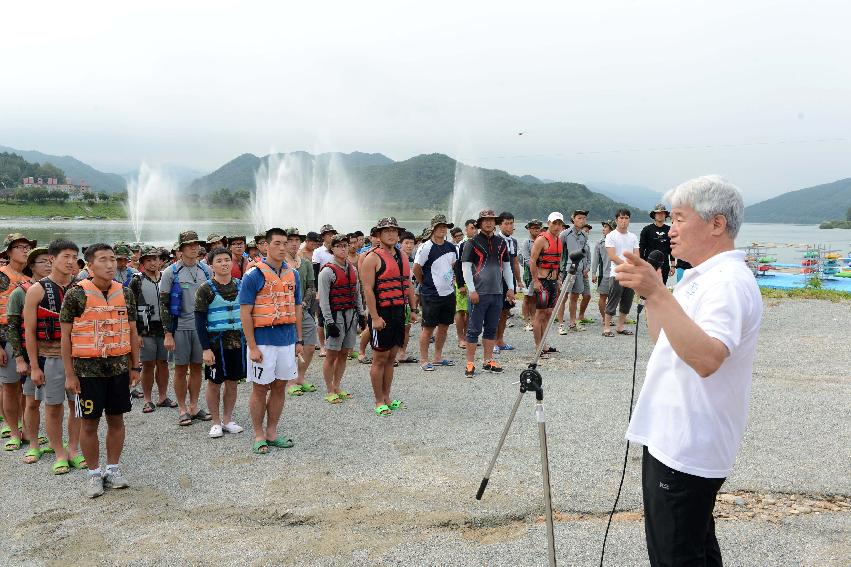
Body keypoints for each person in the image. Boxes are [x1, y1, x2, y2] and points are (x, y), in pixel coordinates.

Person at [616, 175, 762, 567]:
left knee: (676, 555)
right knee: (693, 548)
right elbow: (664, 339)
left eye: (679, 219)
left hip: (690, 444)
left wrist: (659, 293)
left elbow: (707, 359)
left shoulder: (728, 281)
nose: (670, 229)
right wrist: (652, 290)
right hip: (669, 435)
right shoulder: (699, 275)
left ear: (716, 223)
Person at [60, 243, 141, 498]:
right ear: (90, 265)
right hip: (87, 371)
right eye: (103, 260)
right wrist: (70, 374)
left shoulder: (125, 292)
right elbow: (66, 337)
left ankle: (113, 469)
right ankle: (94, 473)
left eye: (112, 259)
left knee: (117, 419)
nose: (109, 264)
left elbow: (132, 331)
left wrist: (135, 366)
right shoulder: (76, 294)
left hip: (118, 368)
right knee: (89, 423)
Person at [238, 227, 303, 454]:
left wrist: (298, 340)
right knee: (260, 388)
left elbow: (297, 308)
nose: (282, 247)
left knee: (280, 386)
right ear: (265, 246)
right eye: (277, 243)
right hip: (263, 341)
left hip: (286, 340)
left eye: (285, 243)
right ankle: (258, 434)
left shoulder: (292, 274)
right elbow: (245, 312)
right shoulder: (253, 275)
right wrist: (252, 346)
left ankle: (272, 431)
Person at [23, 240, 85, 472]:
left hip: (80, 357)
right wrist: (34, 366)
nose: (71, 262)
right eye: (66, 256)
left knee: (77, 404)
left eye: (74, 257)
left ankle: (74, 449)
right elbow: (29, 332)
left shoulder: (82, 287)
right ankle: (58, 451)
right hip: (49, 357)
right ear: (52, 259)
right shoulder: (37, 290)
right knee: (53, 406)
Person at [360, 218, 417, 415]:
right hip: (381, 312)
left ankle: (387, 396)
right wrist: (374, 317)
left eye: (394, 231)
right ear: (378, 235)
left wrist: (413, 308)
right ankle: (378, 400)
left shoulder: (402, 255)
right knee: (380, 357)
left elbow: (407, 283)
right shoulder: (371, 258)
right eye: (386, 231)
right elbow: (367, 290)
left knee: (392, 356)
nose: (391, 234)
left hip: (399, 311)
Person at [160, 231, 212, 426]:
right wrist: (167, 334)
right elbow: (164, 305)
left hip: (200, 328)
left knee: (198, 367)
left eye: (196, 244)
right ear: (180, 249)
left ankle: (194, 406)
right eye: (189, 245)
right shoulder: (170, 272)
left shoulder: (206, 270)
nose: (193, 248)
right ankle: (182, 408)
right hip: (180, 327)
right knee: (181, 369)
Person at [194, 246, 245, 438]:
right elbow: (199, 320)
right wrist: (205, 348)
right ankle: (215, 422)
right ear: (211, 264)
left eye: (227, 260)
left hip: (237, 343)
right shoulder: (205, 289)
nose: (224, 264)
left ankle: (227, 419)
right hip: (216, 344)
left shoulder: (241, 285)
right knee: (214, 382)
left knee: (232, 382)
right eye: (219, 261)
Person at [8, 246, 53, 460]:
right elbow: (13, 327)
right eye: (43, 261)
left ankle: (55, 441)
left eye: (51, 261)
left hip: (54, 355)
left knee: (56, 403)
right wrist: (19, 358)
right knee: (31, 401)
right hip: (30, 355)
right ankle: (32, 443)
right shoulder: (20, 292)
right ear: (32, 266)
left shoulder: (61, 289)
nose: (48, 265)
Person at [461, 210, 514, 377]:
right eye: (485, 220)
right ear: (480, 223)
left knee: (491, 328)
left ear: (495, 222)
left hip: (497, 292)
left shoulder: (501, 243)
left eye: (492, 220)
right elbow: (465, 268)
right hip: (479, 292)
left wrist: (511, 288)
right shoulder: (472, 242)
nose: (489, 223)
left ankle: (487, 360)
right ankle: (470, 363)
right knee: (473, 329)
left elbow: (506, 267)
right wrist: (472, 289)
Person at [317, 234, 365, 403]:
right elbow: (323, 300)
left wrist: (361, 314)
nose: (343, 249)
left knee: (344, 353)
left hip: (351, 315)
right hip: (336, 316)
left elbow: (357, 293)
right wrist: (329, 322)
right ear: (332, 249)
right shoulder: (327, 271)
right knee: (331, 354)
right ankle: (329, 389)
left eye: (345, 245)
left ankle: (337, 385)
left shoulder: (352, 269)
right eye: (339, 246)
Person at [129, 246, 175, 413]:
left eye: (156, 259)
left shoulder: (166, 277)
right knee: (148, 364)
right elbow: (131, 307)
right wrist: (137, 334)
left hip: (164, 327)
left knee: (163, 363)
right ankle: (148, 399)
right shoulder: (137, 280)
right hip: (145, 327)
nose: (153, 263)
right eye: (148, 260)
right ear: (142, 263)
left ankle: (163, 396)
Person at [0, 233, 34, 449]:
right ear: (8, 252)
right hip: (5, 336)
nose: (25, 250)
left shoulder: (29, 277)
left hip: (27, 336)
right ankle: (13, 431)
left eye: (27, 247)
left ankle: (26, 428)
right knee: (10, 386)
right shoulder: (2, 276)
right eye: (19, 247)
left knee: (26, 389)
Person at [414, 214, 458, 371]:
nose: (442, 229)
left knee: (444, 326)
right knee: (428, 327)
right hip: (431, 294)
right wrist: (425, 283)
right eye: (439, 226)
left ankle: (438, 356)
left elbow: (452, 265)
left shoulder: (451, 247)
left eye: (444, 226)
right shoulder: (425, 247)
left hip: (448, 293)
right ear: (433, 228)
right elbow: (416, 268)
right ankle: (424, 359)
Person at [284, 228, 318, 397]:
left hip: (302, 309)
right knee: (290, 346)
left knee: (310, 346)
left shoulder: (305, 263)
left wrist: (304, 303)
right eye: (290, 240)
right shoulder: (279, 263)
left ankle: (300, 377)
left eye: (297, 240)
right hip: (284, 311)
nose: (294, 243)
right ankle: (290, 380)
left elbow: (311, 286)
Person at [529, 213, 566, 359]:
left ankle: (544, 344)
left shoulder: (558, 240)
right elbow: (532, 261)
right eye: (554, 223)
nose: (557, 227)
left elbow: (557, 263)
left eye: (559, 224)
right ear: (548, 223)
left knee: (549, 313)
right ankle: (538, 346)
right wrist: (535, 280)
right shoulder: (541, 240)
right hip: (542, 282)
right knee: (540, 314)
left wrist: (558, 280)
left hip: (552, 281)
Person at [603, 209, 640, 337]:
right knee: (613, 299)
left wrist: (633, 267)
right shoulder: (611, 236)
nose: (624, 220)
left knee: (627, 300)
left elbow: (637, 256)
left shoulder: (633, 237)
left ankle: (620, 326)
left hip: (630, 274)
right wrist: (626, 266)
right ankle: (607, 328)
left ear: (629, 220)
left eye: (626, 218)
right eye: (621, 218)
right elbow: (612, 256)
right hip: (616, 273)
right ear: (616, 220)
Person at [555, 210, 590, 333]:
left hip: (579, 270)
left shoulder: (584, 235)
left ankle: (572, 323)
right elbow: (558, 253)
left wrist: (586, 267)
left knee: (575, 296)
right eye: (579, 218)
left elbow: (585, 254)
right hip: (567, 270)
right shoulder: (564, 234)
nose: (582, 220)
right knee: (563, 297)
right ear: (573, 219)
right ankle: (560, 324)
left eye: (584, 218)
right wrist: (558, 271)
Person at [495, 212, 522, 352]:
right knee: (495, 311)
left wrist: (519, 280)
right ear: (500, 224)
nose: (509, 226)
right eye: (506, 223)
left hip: (509, 281)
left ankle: (500, 340)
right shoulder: (495, 240)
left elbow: (515, 263)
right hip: (496, 281)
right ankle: (492, 341)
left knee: (505, 311)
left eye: (511, 223)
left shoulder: (514, 241)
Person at [312, 224, 337, 358]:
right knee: (321, 318)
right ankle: (322, 346)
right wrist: (317, 291)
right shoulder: (318, 252)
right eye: (328, 234)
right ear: (323, 237)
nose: (331, 236)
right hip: (323, 288)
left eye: (332, 234)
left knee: (334, 316)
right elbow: (315, 273)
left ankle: (331, 344)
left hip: (336, 289)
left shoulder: (336, 250)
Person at [395, 231, 419, 365]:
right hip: (396, 297)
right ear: (400, 243)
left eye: (411, 243)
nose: (409, 246)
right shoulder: (396, 258)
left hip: (407, 297)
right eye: (406, 243)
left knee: (407, 327)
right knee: (395, 327)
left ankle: (402, 353)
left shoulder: (411, 260)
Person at [453, 220, 477, 349]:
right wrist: (460, 283)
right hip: (463, 282)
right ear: (466, 230)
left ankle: (469, 336)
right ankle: (460, 338)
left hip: (475, 282)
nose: (474, 230)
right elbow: (457, 265)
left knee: (471, 311)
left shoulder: (479, 242)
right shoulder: (461, 245)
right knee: (461, 310)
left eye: (476, 228)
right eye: (472, 228)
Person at [640, 204, 676, 284]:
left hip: (664, 265)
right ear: (654, 215)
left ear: (665, 215)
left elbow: (672, 249)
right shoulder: (646, 230)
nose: (660, 215)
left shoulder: (669, 230)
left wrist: (673, 266)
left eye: (662, 213)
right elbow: (642, 248)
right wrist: (641, 264)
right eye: (658, 213)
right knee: (648, 290)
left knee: (661, 289)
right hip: (649, 265)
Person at [518, 219, 542, 332]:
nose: (536, 229)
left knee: (534, 298)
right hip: (529, 274)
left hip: (541, 274)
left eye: (538, 227)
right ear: (529, 229)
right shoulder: (526, 243)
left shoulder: (542, 240)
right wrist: (537, 267)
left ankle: (533, 319)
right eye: (533, 228)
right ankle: (526, 321)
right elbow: (526, 259)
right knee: (527, 298)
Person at [591, 220, 615, 323]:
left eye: (606, 227)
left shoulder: (617, 241)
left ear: (612, 229)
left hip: (616, 274)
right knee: (603, 297)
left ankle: (610, 317)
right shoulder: (600, 243)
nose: (603, 229)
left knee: (614, 298)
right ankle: (605, 318)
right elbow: (595, 260)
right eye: (603, 227)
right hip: (604, 275)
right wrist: (593, 273)